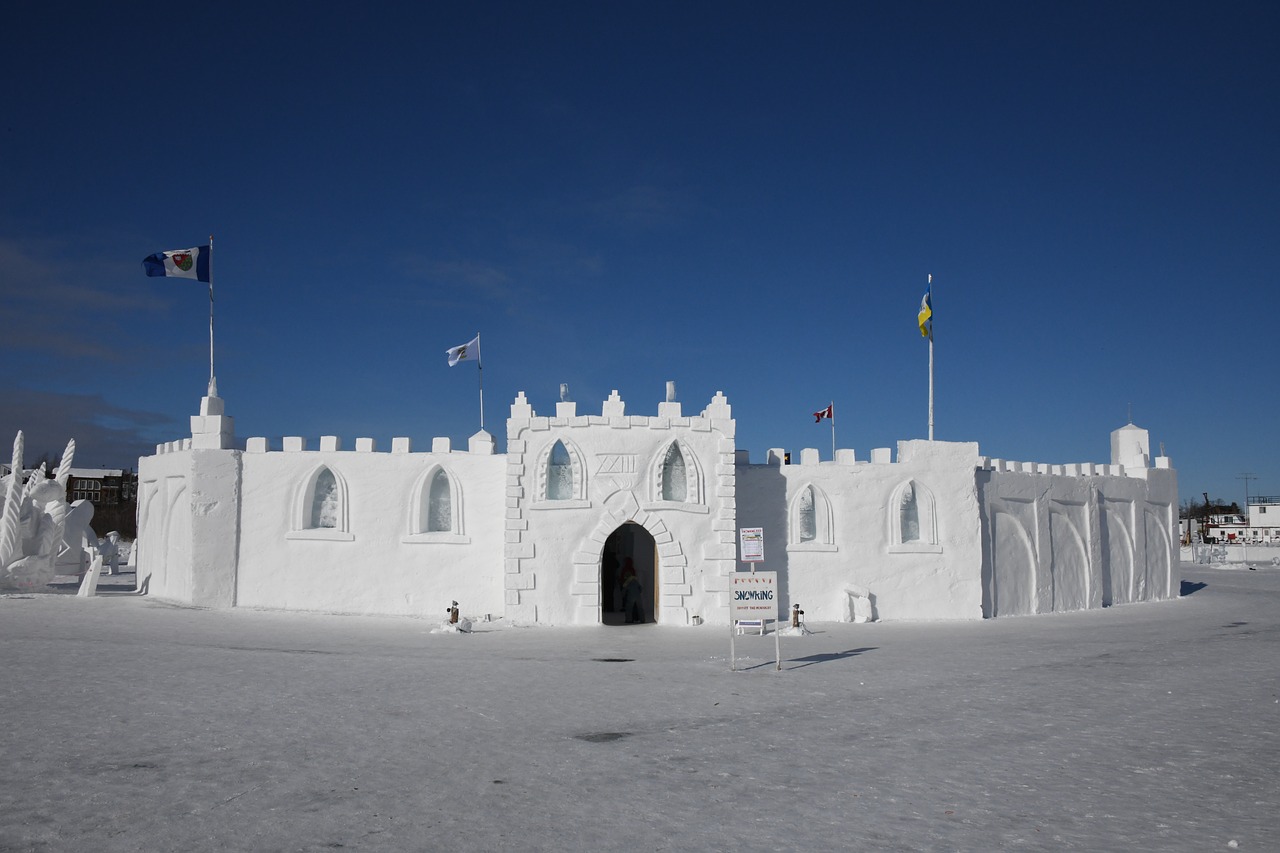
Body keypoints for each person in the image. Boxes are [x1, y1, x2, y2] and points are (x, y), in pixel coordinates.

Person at [619, 558, 644, 624]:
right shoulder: (635, 581)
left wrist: (622, 595)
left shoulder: (627, 582)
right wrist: (639, 593)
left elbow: (624, 590)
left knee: (629, 608)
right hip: (638, 597)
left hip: (631, 597)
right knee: (640, 608)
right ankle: (642, 619)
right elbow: (640, 588)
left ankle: (629, 620)